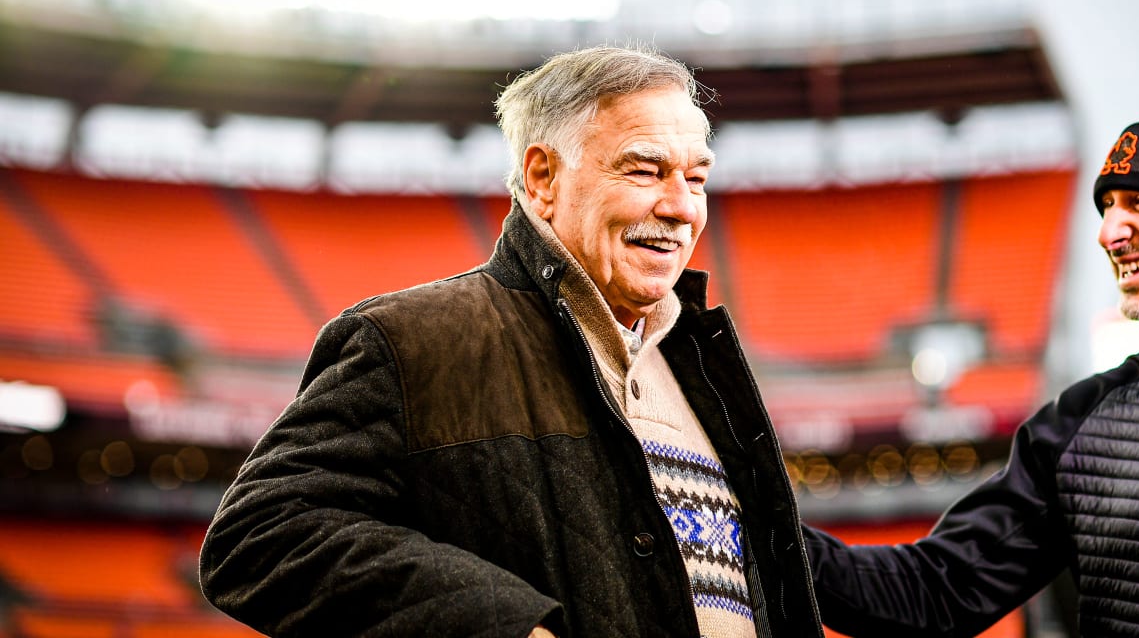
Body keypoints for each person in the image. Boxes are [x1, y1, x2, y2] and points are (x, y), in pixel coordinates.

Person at [199, 45, 824, 638]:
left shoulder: (701, 364)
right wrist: (507, 626)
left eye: (696, 178)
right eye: (644, 170)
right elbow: (259, 533)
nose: (681, 207)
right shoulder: (411, 341)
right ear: (543, 177)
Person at [804, 100, 1139, 637]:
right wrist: (760, 529)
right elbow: (935, 591)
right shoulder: (1082, 419)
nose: (1108, 233)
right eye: (1107, 208)